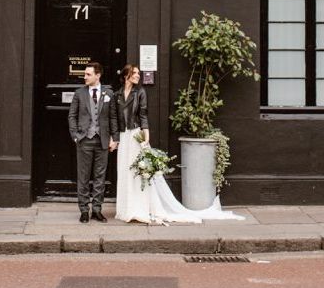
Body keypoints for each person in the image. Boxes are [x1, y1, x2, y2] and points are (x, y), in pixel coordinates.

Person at [114, 63, 243, 224]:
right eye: (135, 73)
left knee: (139, 171)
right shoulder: (117, 94)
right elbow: (114, 117)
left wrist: (146, 135)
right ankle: (126, 208)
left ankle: (139, 207)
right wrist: (115, 138)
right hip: (123, 136)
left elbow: (143, 114)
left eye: (139, 73)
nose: (138, 76)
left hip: (135, 135)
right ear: (127, 75)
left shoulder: (140, 92)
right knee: (125, 170)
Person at [68, 62, 118, 223]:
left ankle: (97, 209)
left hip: (102, 140)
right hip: (84, 140)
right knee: (83, 176)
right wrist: (75, 135)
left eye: (88, 74)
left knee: (100, 176)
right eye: (85, 74)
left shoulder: (108, 93)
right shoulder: (79, 93)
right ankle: (84, 210)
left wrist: (115, 138)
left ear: (98, 75)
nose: (85, 77)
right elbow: (72, 116)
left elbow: (113, 117)